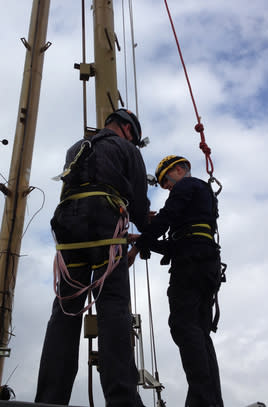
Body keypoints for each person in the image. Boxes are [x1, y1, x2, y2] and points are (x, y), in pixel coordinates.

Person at [35, 108, 149, 407]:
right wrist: (147, 235)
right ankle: (123, 401)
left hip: (68, 225)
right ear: (127, 129)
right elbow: (137, 200)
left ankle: (49, 400)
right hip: (104, 221)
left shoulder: (77, 148)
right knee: (113, 309)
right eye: (134, 137)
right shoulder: (125, 148)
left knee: (65, 309)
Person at [128, 155, 224, 407]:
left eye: (166, 181)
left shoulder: (186, 186)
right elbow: (180, 238)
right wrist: (146, 240)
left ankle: (201, 401)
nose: (167, 187)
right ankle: (212, 401)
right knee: (200, 333)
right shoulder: (203, 196)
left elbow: (168, 217)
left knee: (184, 326)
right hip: (205, 262)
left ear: (179, 170)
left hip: (191, 263)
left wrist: (140, 244)